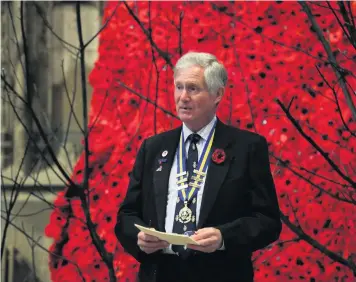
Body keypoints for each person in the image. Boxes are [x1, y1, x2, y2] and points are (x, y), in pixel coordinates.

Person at [115, 52, 281, 282]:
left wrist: (224, 237)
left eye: (193, 88)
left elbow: (268, 221)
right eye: (178, 87)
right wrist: (139, 237)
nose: (183, 97)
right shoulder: (153, 148)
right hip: (162, 272)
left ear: (217, 94)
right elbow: (127, 215)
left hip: (220, 273)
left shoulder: (246, 148)